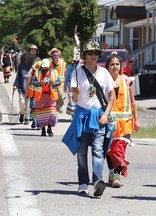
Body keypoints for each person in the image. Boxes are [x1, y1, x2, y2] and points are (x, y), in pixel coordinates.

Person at [62, 41, 116, 197]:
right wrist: (76, 92)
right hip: (82, 115)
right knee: (81, 152)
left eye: (96, 53)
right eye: (90, 53)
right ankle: (83, 183)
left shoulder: (105, 73)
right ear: (84, 55)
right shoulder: (77, 72)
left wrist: (105, 114)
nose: (93, 56)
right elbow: (74, 98)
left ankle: (98, 182)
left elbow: (112, 97)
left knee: (99, 151)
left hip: (98, 115)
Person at [105, 52, 140, 188]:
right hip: (108, 122)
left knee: (119, 150)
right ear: (107, 66)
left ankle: (116, 176)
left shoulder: (126, 80)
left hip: (124, 124)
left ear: (121, 66)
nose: (115, 67)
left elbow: (132, 102)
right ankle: (112, 173)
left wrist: (136, 120)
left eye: (117, 64)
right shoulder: (104, 80)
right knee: (109, 150)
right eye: (112, 64)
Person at [31, 58, 61, 136]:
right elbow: (33, 83)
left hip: (51, 96)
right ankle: (43, 130)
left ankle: (50, 129)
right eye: (44, 67)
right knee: (41, 114)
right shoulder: (37, 73)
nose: (45, 69)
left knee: (52, 113)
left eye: (46, 67)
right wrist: (39, 83)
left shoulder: (54, 72)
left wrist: (53, 83)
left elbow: (59, 82)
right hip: (40, 97)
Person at [13, 52, 34, 125]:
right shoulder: (21, 65)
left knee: (27, 105)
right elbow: (18, 75)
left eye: (28, 60)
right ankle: (22, 113)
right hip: (21, 88)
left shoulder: (32, 67)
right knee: (21, 102)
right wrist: (15, 85)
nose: (26, 61)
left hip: (30, 89)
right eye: (25, 59)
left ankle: (26, 118)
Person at [26, 44, 41, 129]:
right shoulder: (26, 59)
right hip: (30, 83)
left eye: (34, 50)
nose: (33, 51)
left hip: (38, 85)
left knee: (37, 105)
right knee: (32, 105)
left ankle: (36, 121)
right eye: (31, 49)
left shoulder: (38, 60)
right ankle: (32, 119)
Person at [48, 48, 67, 113]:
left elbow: (65, 72)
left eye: (55, 52)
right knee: (53, 95)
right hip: (53, 81)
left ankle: (60, 105)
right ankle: (56, 107)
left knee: (60, 94)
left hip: (61, 82)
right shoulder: (50, 63)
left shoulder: (63, 63)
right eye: (53, 53)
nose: (54, 54)